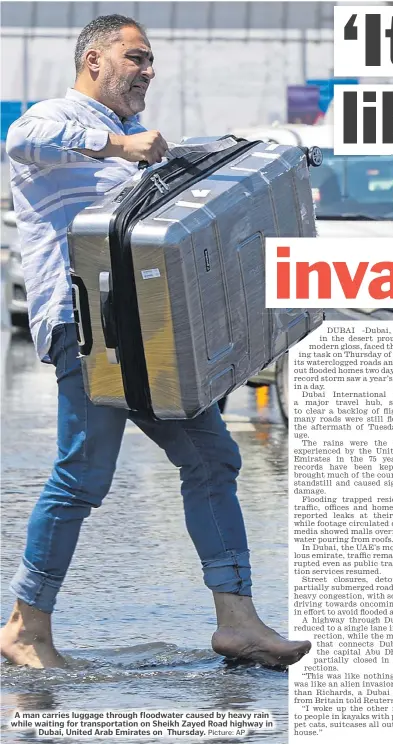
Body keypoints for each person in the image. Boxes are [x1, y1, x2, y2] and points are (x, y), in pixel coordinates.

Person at [0, 14, 311, 670]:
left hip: (150, 337)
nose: (148, 71)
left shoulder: (131, 143)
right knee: (82, 475)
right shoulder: (58, 121)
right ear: (94, 61)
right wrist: (121, 149)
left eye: (150, 62)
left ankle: (238, 621)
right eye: (135, 58)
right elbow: (24, 137)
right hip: (85, 333)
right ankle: (25, 626)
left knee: (213, 459)